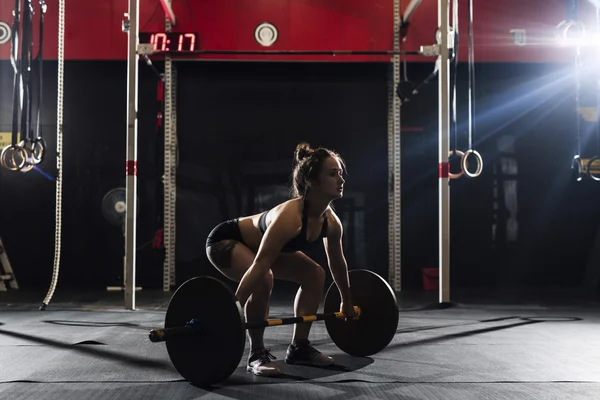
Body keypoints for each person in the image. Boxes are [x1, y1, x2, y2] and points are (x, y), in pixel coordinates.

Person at [205, 142, 357, 377]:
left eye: (340, 173)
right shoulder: (291, 218)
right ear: (311, 181)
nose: (341, 180)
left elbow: (337, 263)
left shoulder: (331, 223)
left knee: (315, 274)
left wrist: (346, 300)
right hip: (226, 242)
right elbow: (260, 265)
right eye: (332, 173)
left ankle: (299, 348)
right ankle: (256, 354)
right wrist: (231, 311)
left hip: (259, 251)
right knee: (264, 278)